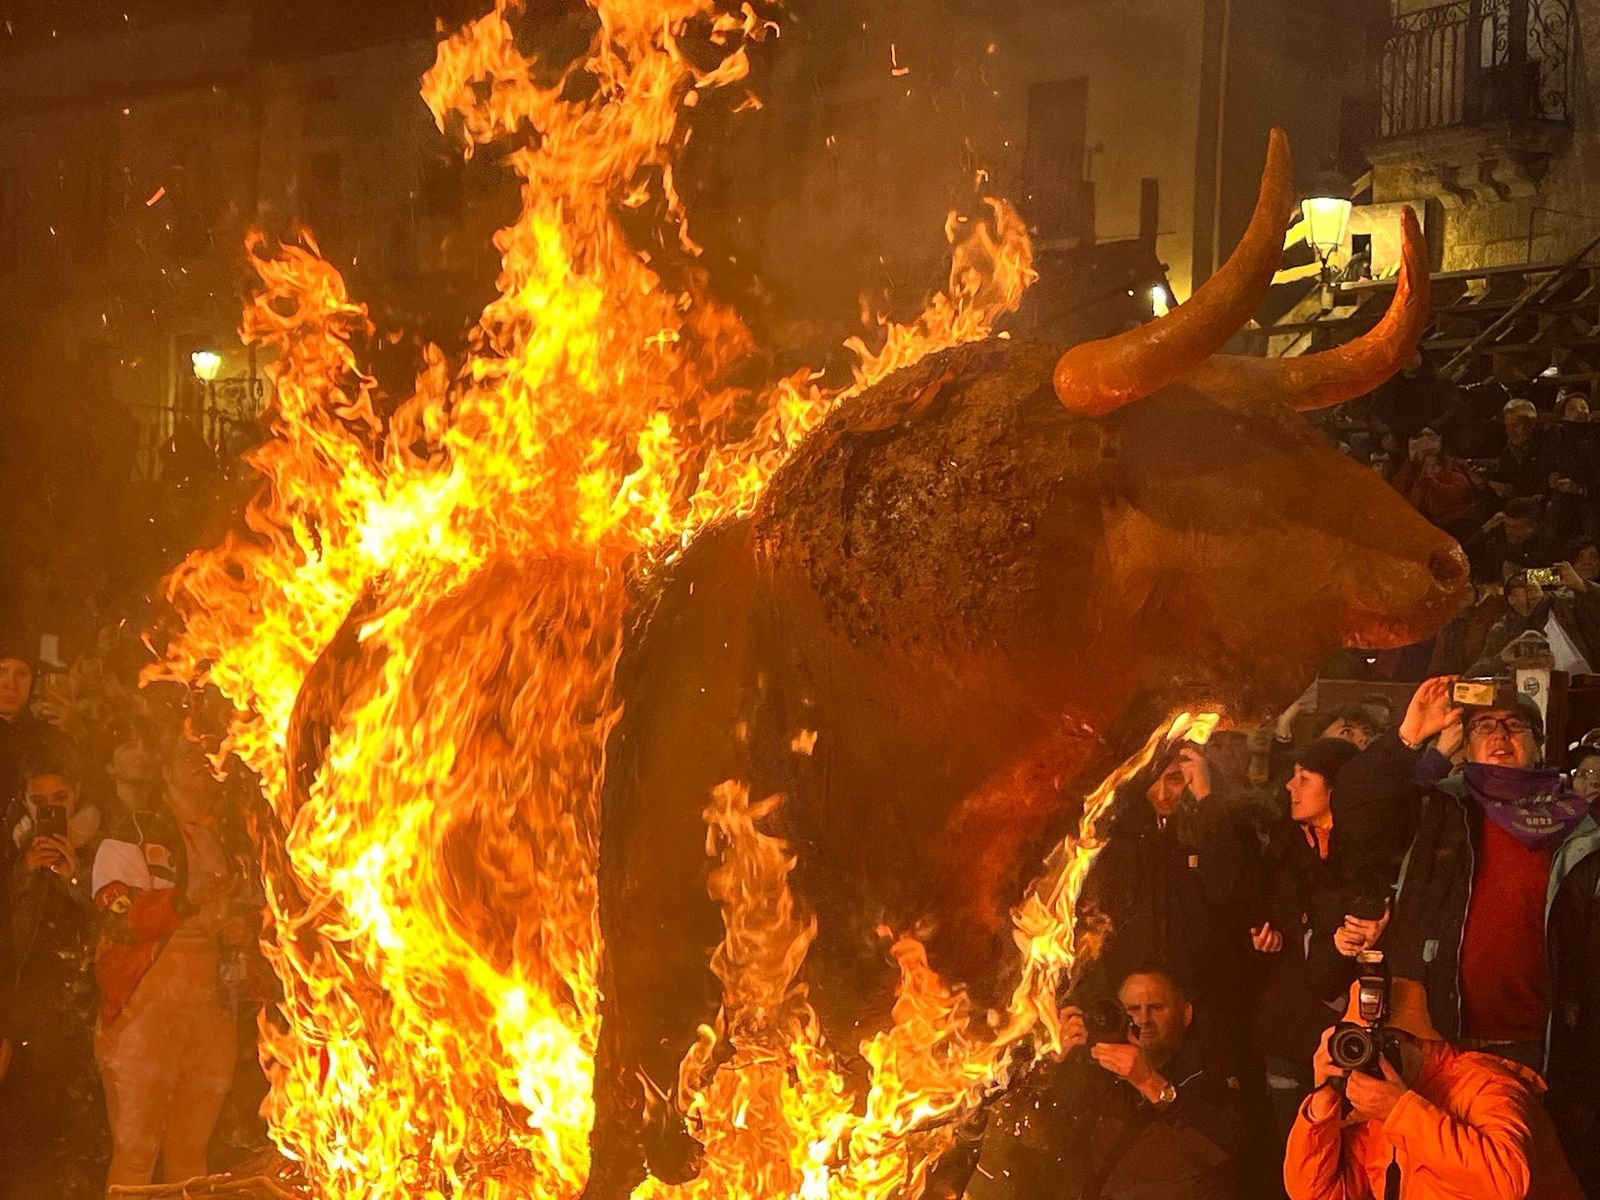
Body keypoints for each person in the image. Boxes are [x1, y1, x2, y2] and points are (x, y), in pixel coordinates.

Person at [1368, 678, 1600, 1192]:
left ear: (1540, 745)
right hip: (1445, 1047)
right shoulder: (1436, 810)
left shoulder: (1580, 830)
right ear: (1465, 744)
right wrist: (1411, 738)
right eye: (1484, 726)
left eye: (1516, 725)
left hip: (1540, 1055)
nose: (1500, 734)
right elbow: (1361, 819)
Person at [92, 734, 254, 1188]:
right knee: (136, 1153)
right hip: (145, 1009)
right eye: (186, 754)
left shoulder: (235, 839)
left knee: (191, 1153)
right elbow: (116, 912)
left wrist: (243, 930)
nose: (201, 763)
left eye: (206, 753)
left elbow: (257, 912)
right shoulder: (133, 833)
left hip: (212, 1009)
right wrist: (184, 903)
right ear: (164, 770)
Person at [1284, 976, 1583, 1199]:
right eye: (1358, 1046)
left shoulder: (1485, 1084)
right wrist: (1323, 1097)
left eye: (1382, 1044)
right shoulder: (1376, 1103)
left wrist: (1401, 1111)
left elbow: (1507, 1182)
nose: (1369, 1059)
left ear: (1419, 1040)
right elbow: (1313, 1194)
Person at [1081, 744, 1261, 1018]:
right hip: (1135, 999)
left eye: (1175, 779)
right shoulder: (1122, 834)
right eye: (1153, 780)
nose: (1162, 794)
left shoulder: (1222, 823)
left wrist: (1206, 800)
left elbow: (1231, 887)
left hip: (1208, 999)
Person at [1254, 738, 1381, 1123]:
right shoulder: (1281, 849)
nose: (1290, 787)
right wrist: (1266, 937)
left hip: (1348, 1028)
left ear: (1337, 790)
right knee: (1292, 1140)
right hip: (1287, 1028)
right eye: (1292, 777)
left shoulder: (1372, 852)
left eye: (1304, 778)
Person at [0, 752, 106, 1198]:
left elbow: (113, 929)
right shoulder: (10, 851)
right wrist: (22, 874)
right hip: (22, 1025)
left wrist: (74, 879)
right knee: (20, 1148)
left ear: (76, 794)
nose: (50, 808)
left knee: (78, 1149)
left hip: (80, 1025)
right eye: (39, 799)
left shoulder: (104, 847)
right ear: (24, 801)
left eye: (59, 798)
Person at [1467, 497, 1561, 583]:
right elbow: (1468, 556)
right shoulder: (1500, 537)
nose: (1508, 531)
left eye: (1515, 527)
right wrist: (1485, 529)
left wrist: (1522, 577)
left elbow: (1557, 576)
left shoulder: (1548, 543)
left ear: (1532, 526)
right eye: (1507, 526)